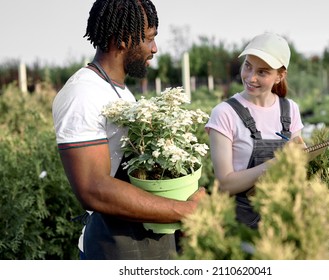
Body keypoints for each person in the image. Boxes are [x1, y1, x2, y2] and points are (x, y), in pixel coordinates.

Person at [52, 0, 205, 260]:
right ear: (123, 39)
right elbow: (92, 188)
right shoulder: (83, 93)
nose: (155, 48)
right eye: (148, 39)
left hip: (147, 245)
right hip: (113, 249)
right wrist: (184, 210)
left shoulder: (123, 94)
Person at [205, 32, 305, 229]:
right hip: (242, 226)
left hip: (283, 217)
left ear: (280, 76)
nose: (250, 78)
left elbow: (297, 164)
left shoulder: (290, 109)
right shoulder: (225, 113)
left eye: (262, 72)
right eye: (248, 66)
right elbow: (225, 184)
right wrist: (276, 164)